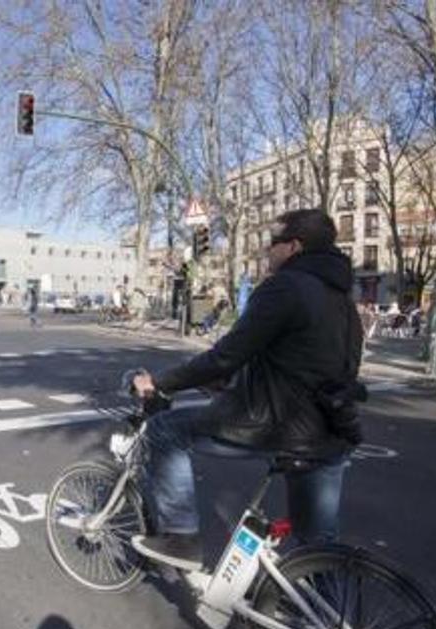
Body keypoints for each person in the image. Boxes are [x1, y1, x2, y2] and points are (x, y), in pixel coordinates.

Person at [129, 209, 363, 570]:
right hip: (332, 430)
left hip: (279, 426)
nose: (266, 252)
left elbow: (226, 355)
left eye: (273, 244)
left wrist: (158, 382)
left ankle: (180, 539)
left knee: (165, 431)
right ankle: (332, 623)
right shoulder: (343, 299)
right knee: (318, 552)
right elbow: (303, 361)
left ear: (294, 247)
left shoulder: (285, 287)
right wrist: (230, 384)